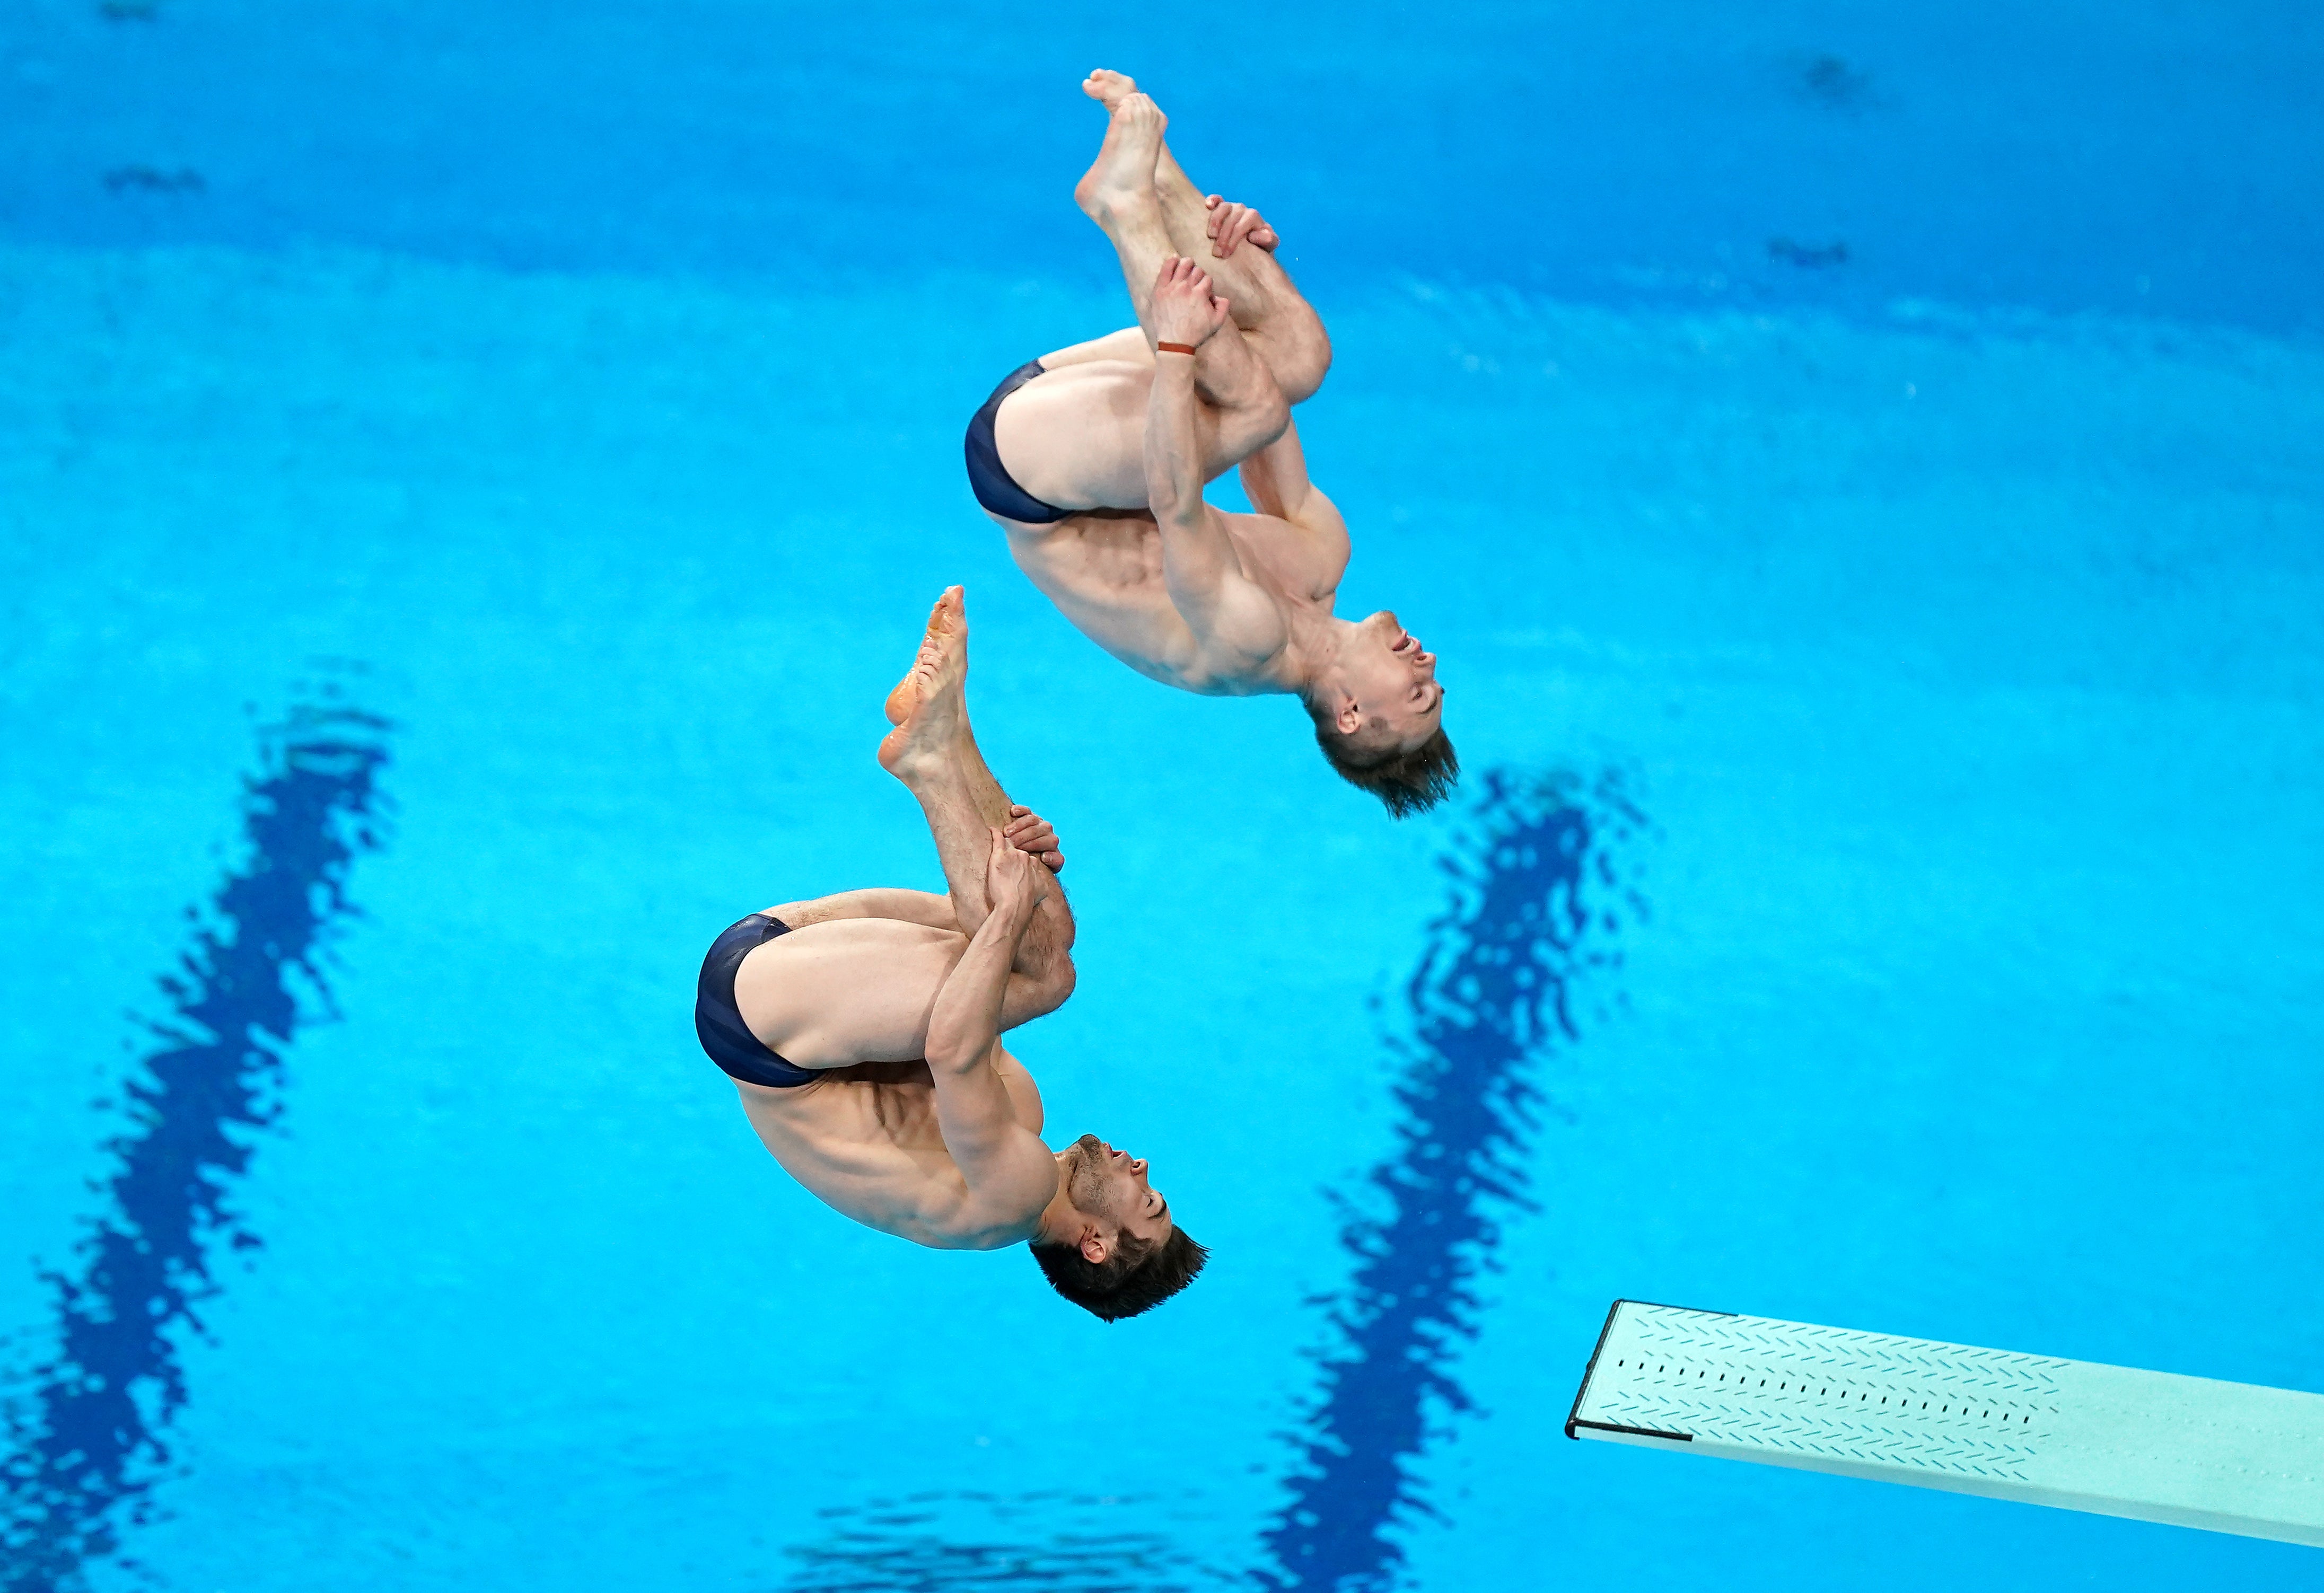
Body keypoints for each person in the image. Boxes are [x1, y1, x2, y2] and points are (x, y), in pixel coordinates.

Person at [695, 587, 1204, 1321]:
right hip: (775, 972)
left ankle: (934, 760)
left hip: (764, 1026)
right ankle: (949, 736)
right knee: (1045, 944)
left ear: (1096, 1242)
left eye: (1147, 1201)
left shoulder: (1014, 1196)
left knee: (1045, 970)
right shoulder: (1019, 1119)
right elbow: (967, 992)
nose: (1144, 1168)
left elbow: (949, 1043)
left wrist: (1006, 915)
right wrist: (1024, 896)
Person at [962, 69, 1457, 817]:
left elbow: (1175, 499)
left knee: (1252, 399)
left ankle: (1128, 209)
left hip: (1031, 472)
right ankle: (1164, 179)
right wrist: (1247, 261)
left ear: (1352, 712)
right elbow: (1270, 398)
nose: (1429, 666)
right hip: (1083, 419)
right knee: (1296, 356)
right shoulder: (1324, 557)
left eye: (1417, 694)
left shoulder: (1248, 643)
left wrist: (1178, 347)